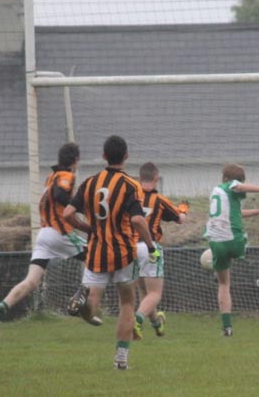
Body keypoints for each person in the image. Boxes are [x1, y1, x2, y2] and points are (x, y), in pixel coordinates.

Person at [63, 135, 159, 370]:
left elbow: (67, 214)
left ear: (104, 156)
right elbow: (137, 219)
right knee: (127, 302)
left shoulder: (89, 183)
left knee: (93, 301)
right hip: (124, 253)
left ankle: (83, 300)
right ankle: (121, 359)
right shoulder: (130, 185)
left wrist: (89, 228)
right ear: (126, 156)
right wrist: (151, 244)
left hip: (96, 251)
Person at [0, 142, 87, 341]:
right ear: (76, 160)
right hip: (58, 232)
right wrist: (80, 207)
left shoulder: (51, 177)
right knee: (97, 255)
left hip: (44, 234)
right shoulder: (66, 176)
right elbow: (60, 194)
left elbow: (54, 195)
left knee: (31, 281)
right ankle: (81, 299)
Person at [204, 162, 259, 336]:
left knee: (224, 284)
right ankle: (235, 253)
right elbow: (238, 186)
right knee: (242, 238)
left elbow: (238, 213)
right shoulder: (231, 185)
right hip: (233, 240)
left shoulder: (218, 191)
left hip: (215, 241)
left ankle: (227, 327)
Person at [132, 162, 189, 341]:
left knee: (144, 293)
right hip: (149, 247)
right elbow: (180, 219)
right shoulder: (160, 200)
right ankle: (137, 319)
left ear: (139, 178)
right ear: (156, 179)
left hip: (129, 247)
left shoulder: (130, 197)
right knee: (155, 294)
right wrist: (183, 209)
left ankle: (157, 324)